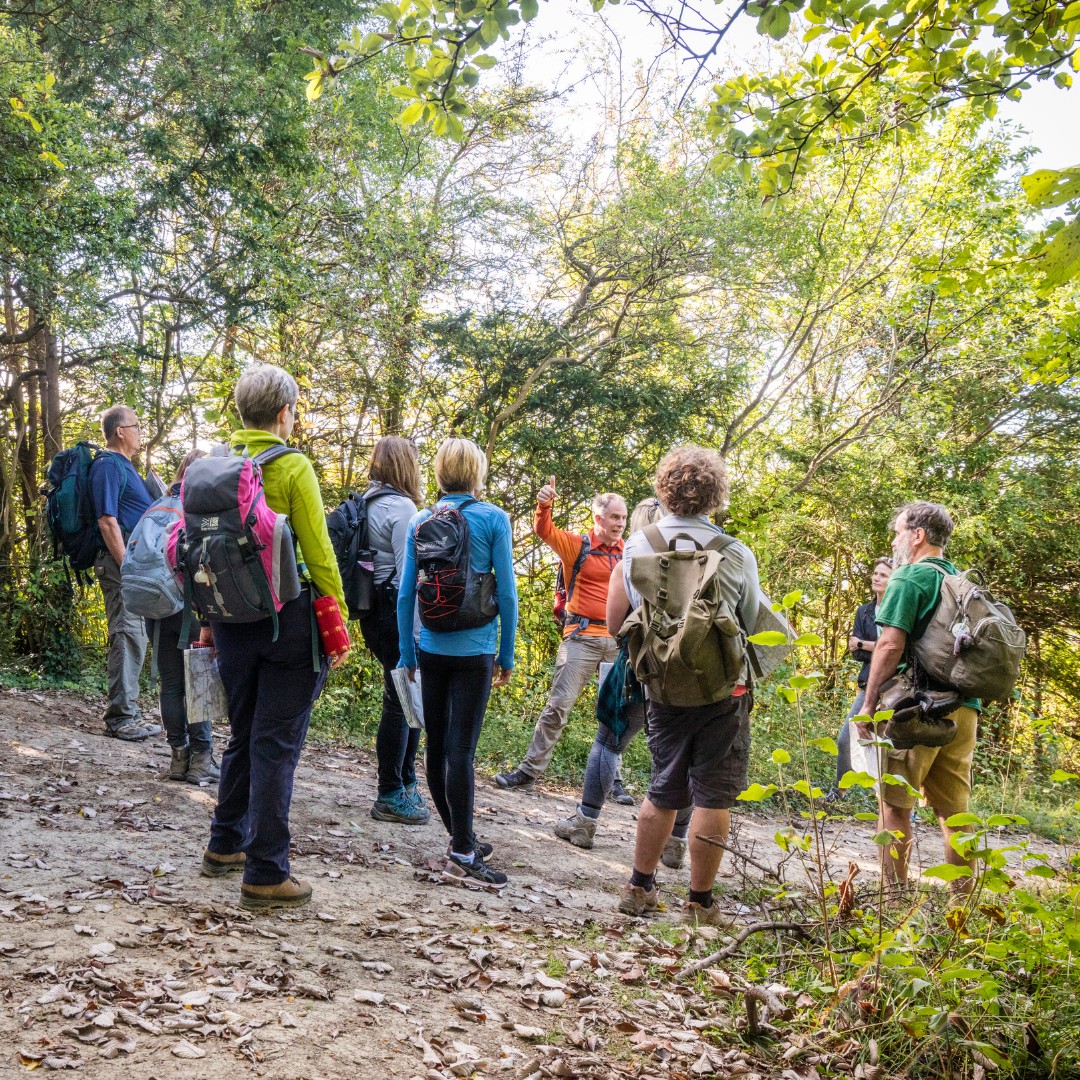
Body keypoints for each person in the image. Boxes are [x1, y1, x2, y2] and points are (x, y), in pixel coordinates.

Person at [200, 364, 349, 910]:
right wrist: (337, 619)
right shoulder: (291, 465)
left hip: (228, 620)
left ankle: (224, 844)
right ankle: (266, 871)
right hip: (288, 620)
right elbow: (319, 551)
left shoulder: (216, 463)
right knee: (276, 743)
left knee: (243, 734)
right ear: (284, 412)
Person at [607, 445, 761, 925]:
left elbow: (619, 620)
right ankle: (699, 903)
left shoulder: (637, 545)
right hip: (723, 690)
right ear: (716, 494)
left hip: (663, 686)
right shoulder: (735, 552)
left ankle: (639, 888)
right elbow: (751, 621)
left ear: (664, 488)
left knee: (663, 786)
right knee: (713, 795)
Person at [397, 438, 518, 886]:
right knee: (461, 752)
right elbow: (507, 593)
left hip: (430, 647)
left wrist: (407, 652)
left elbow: (406, 594)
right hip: (475, 651)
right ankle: (464, 851)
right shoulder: (493, 518)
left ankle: (460, 836)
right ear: (477, 473)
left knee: (436, 748)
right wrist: (507, 653)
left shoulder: (421, 519)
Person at [553, 498, 692, 864]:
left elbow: (615, 626)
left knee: (609, 742)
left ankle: (585, 823)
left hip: (638, 668)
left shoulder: (627, 564)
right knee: (683, 755)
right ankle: (676, 841)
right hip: (685, 672)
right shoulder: (695, 564)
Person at [858, 502, 980, 893]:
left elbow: (890, 645)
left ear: (918, 535)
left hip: (918, 709)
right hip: (964, 708)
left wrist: (868, 705)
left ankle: (892, 900)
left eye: (898, 533)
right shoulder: (961, 581)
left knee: (895, 804)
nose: (894, 541)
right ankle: (963, 907)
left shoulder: (910, 577)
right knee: (956, 814)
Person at [493, 480, 628, 797]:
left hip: (618, 642)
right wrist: (544, 505)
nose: (620, 523)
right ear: (598, 518)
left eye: (624, 517)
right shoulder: (578, 545)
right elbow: (545, 531)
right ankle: (528, 772)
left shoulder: (630, 552)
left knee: (616, 713)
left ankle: (614, 782)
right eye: (615, 517)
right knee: (557, 707)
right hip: (581, 638)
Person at [358, 436, 430, 826]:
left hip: (373, 613)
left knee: (405, 697)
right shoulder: (402, 508)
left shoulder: (367, 501)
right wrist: (414, 637)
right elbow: (407, 579)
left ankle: (405, 782)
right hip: (394, 614)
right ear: (406, 465)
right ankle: (390, 792)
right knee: (401, 700)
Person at [151, 448, 220, 786]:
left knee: (172, 682)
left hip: (155, 601)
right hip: (188, 604)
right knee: (198, 679)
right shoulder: (199, 508)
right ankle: (202, 759)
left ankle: (179, 758)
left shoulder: (160, 504)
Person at [90, 405, 158, 741]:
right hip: (120, 566)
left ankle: (128, 710)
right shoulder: (107, 464)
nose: (140, 432)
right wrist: (126, 566)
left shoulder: (125, 466)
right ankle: (120, 718)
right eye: (136, 426)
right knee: (127, 632)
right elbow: (107, 520)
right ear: (120, 431)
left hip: (132, 566)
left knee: (136, 634)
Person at [830, 557, 893, 797]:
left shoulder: (897, 610)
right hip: (868, 684)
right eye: (875, 573)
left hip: (896, 686)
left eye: (883, 575)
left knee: (892, 746)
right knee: (845, 738)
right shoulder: (864, 611)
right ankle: (840, 792)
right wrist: (874, 647)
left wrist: (864, 644)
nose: (876, 578)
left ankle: (900, 805)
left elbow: (897, 650)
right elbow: (855, 652)